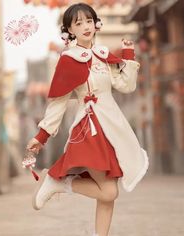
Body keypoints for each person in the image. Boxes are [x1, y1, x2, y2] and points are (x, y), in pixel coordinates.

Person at [26, 2, 149, 236]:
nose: (85, 26)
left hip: (112, 127)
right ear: (70, 30)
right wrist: (41, 137)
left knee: (108, 192)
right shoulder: (68, 60)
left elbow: (126, 85)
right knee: (109, 192)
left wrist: (128, 55)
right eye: (78, 23)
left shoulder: (103, 56)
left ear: (96, 24)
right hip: (89, 129)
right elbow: (58, 102)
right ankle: (59, 183)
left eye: (89, 21)